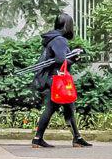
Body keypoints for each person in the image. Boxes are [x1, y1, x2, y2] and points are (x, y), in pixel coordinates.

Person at [32, 12, 90, 149]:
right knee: (52, 108)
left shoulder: (52, 39)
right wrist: (74, 58)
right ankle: (37, 138)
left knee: (68, 107)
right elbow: (61, 60)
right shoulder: (60, 40)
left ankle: (77, 137)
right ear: (67, 25)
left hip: (51, 78)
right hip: (57, 80)